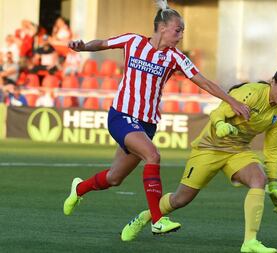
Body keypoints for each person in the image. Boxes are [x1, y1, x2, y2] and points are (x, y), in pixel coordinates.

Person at [63, 0, 250, 237]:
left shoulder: (175, 57)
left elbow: (204, 82)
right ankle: (157, 220)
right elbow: (102, 43)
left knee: (114, 178)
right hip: (122, 115)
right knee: (153, 155)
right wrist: (83, 47)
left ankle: (79, 189)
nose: (181, 36)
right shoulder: (133, 41)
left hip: (147, 124)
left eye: (182, 31)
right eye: (178, 30)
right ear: (162, 28)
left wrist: (232, 101)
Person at [120, 67, 277, 253]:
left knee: (259, 180)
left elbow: (272, 150)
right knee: (181, 199)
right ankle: (144, 217)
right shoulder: (251, 93)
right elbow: (218, 113)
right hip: (209, 148)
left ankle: (250, 242)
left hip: (238, 151)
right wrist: (221, 125)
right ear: (273, 82)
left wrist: (274, 185)